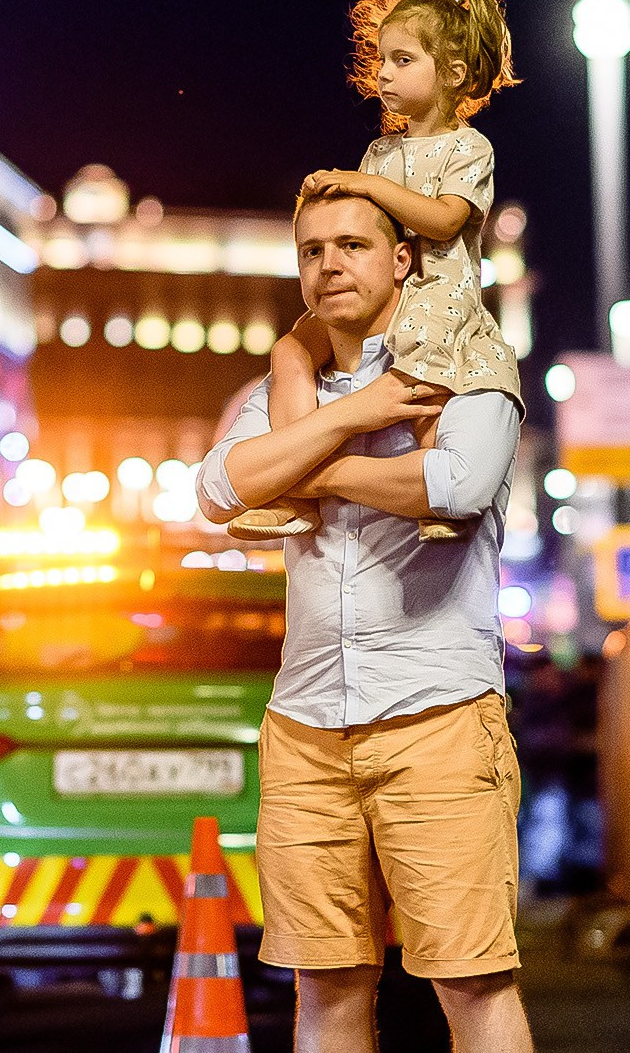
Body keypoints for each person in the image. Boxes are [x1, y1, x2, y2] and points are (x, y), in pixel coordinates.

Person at [197, 189, 534, 1053]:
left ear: (403, 260)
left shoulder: (468, 366)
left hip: (439, 717)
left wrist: (311, 465)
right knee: (327, 986)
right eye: (311, 250)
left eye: (351, 244)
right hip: (306, 727)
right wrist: (352, 417)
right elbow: (218, 488)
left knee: (473, 982)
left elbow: (451, 487)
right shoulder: (287, 386)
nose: (329, 264)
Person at [230, 0, 524, 542]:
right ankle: (293, 487)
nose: (384, 73)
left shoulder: (468, 148)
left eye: (404, 60)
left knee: (422, 387)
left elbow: (443, 219)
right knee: (293, 346)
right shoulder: (379, 151)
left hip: (436, 295)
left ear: (453, 75)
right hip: (382, 297)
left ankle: (430, 500)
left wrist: (359, 184)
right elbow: (361, 225)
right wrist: (334, 195)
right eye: (382, 59)